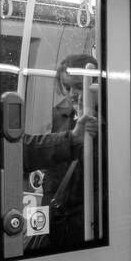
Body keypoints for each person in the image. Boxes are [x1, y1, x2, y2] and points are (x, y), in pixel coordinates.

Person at [21, 54, 100, 248]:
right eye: (67, 87)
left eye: (79, 86)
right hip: (57, 208)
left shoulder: (109, 119)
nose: (72, 93)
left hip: (87, 213)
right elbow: (53, 163)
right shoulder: (61, 113)